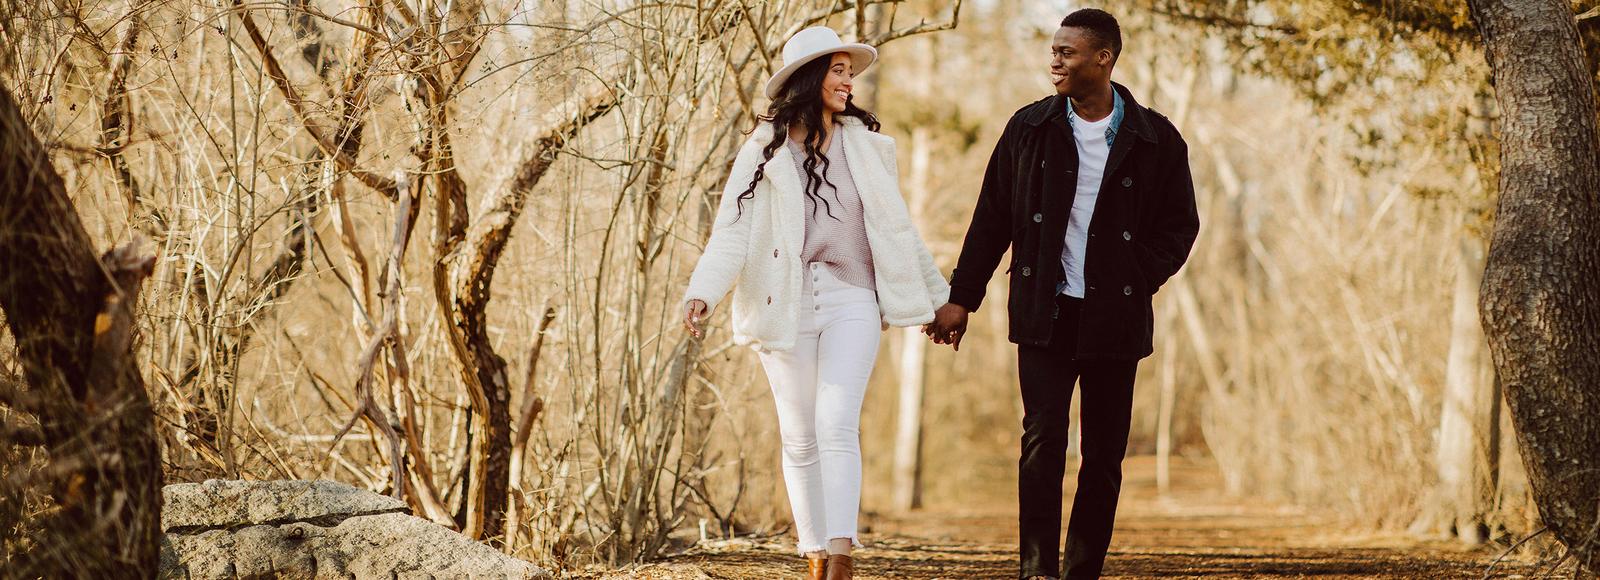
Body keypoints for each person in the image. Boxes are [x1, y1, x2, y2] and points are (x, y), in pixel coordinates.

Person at [922, 9, 1200, 580]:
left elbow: (1180, 226)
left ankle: (1081, 571)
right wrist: (961, 297)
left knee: (1103, 456)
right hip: (1044, 313)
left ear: (1103, 58)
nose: (1054, 60)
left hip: (1115, 317)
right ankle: (1037, 571)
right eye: (1053, 50)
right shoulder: (1029, 128)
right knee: (1041, 442)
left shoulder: (1156, 138)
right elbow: (992, 217)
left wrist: (1137, 276)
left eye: (1067, 52)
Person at [680, 25, 949, 580]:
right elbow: (731, 233)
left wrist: (938, 299)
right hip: (785, 302)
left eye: (851, 72)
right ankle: (815, 556)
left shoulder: (867, 147)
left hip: (852, 298)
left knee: (836, 422)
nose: (849, 82)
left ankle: (843, 556)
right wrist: (702, 291)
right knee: (799, 436)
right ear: (809, 79)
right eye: (838, 71)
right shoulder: (763, 150)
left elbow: (898, 232)